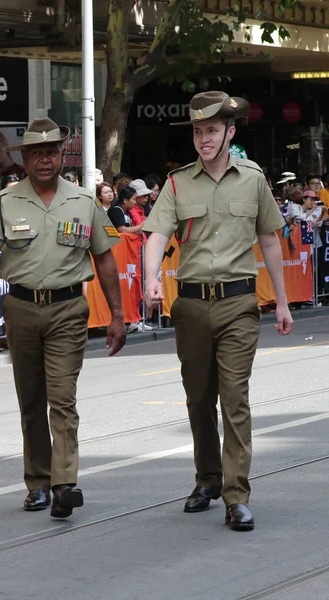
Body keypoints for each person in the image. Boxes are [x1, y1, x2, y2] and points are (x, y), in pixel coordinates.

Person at [144, 91, 293, 532]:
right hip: (190, 305)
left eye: (211, 130)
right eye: (197, 131)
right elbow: (155, 235)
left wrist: (282, 302)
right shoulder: (176, 183)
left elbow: (270, 239)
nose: (203, 138)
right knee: (198, 398)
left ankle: (236, 494)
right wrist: (152, 278)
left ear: (229, 132)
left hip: (238, 304)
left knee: (234, 399)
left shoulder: (253, 179)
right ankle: (207, 479)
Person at [0, 117, 126, 519]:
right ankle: (37, 483)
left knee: (63, 398)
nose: (44, 160)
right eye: (36, 153)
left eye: (50, 152)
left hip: (68, 310)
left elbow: (104, 258)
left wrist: (117, 315)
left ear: (61, 155)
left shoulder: (83, 201)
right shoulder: (5, 203)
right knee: (31, 400)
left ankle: (64, 484)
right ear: (25, 158)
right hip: (21, 310)